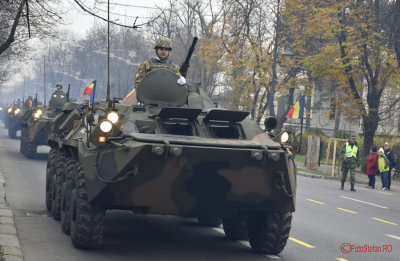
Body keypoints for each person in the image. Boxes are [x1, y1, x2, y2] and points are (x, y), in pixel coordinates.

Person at [122, 37, 185, 105]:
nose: (164, 52)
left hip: (168, 102)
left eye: (166, 49)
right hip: (149, 102)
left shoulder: (173, 67)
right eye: (161, 49)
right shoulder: (146, 65)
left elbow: (179, 87)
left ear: (168, 51)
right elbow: (138, 84)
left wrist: (181, 82)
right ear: (157, 50)